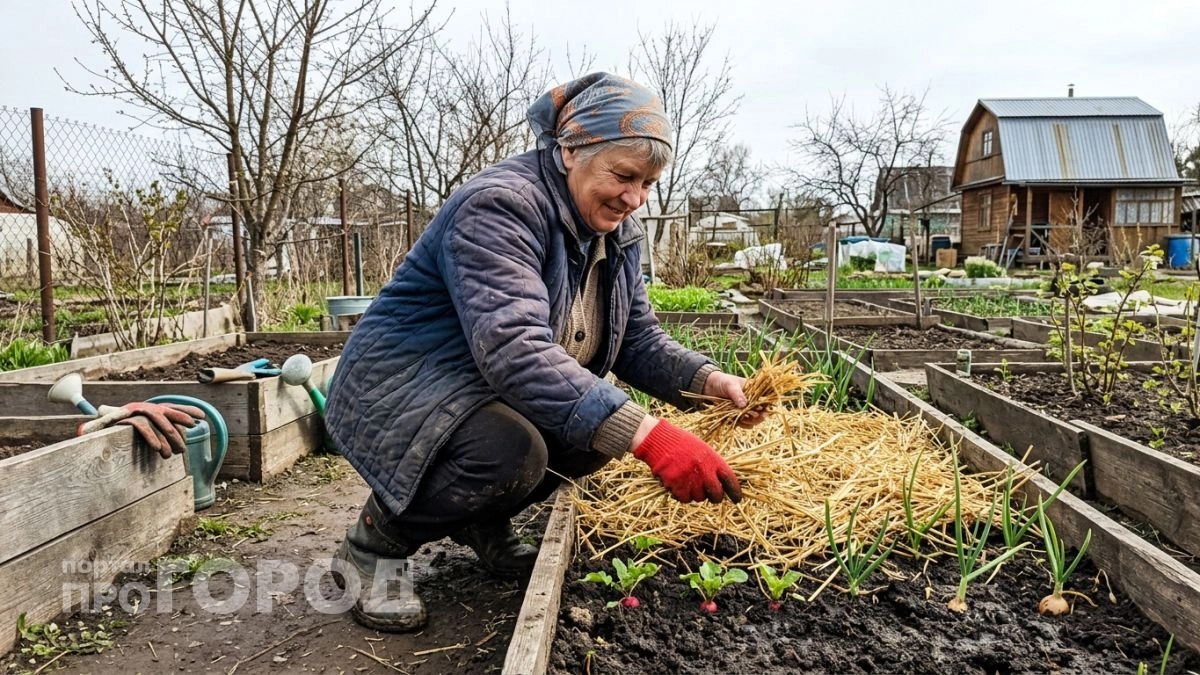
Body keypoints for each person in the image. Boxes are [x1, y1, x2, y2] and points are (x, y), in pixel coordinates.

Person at [324, 72, 765, 633]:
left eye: (649, 182)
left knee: (589, 434)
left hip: (481, 387)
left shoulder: (617, 231)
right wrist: (651, 436)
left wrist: (707, 382)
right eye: (623, 175)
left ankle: (482, 523)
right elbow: (513, 345)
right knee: (511, 451)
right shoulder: (501, 206)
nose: (634, 198)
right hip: (402, 385)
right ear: (569, 152)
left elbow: (636, 339)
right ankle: (371, 547)